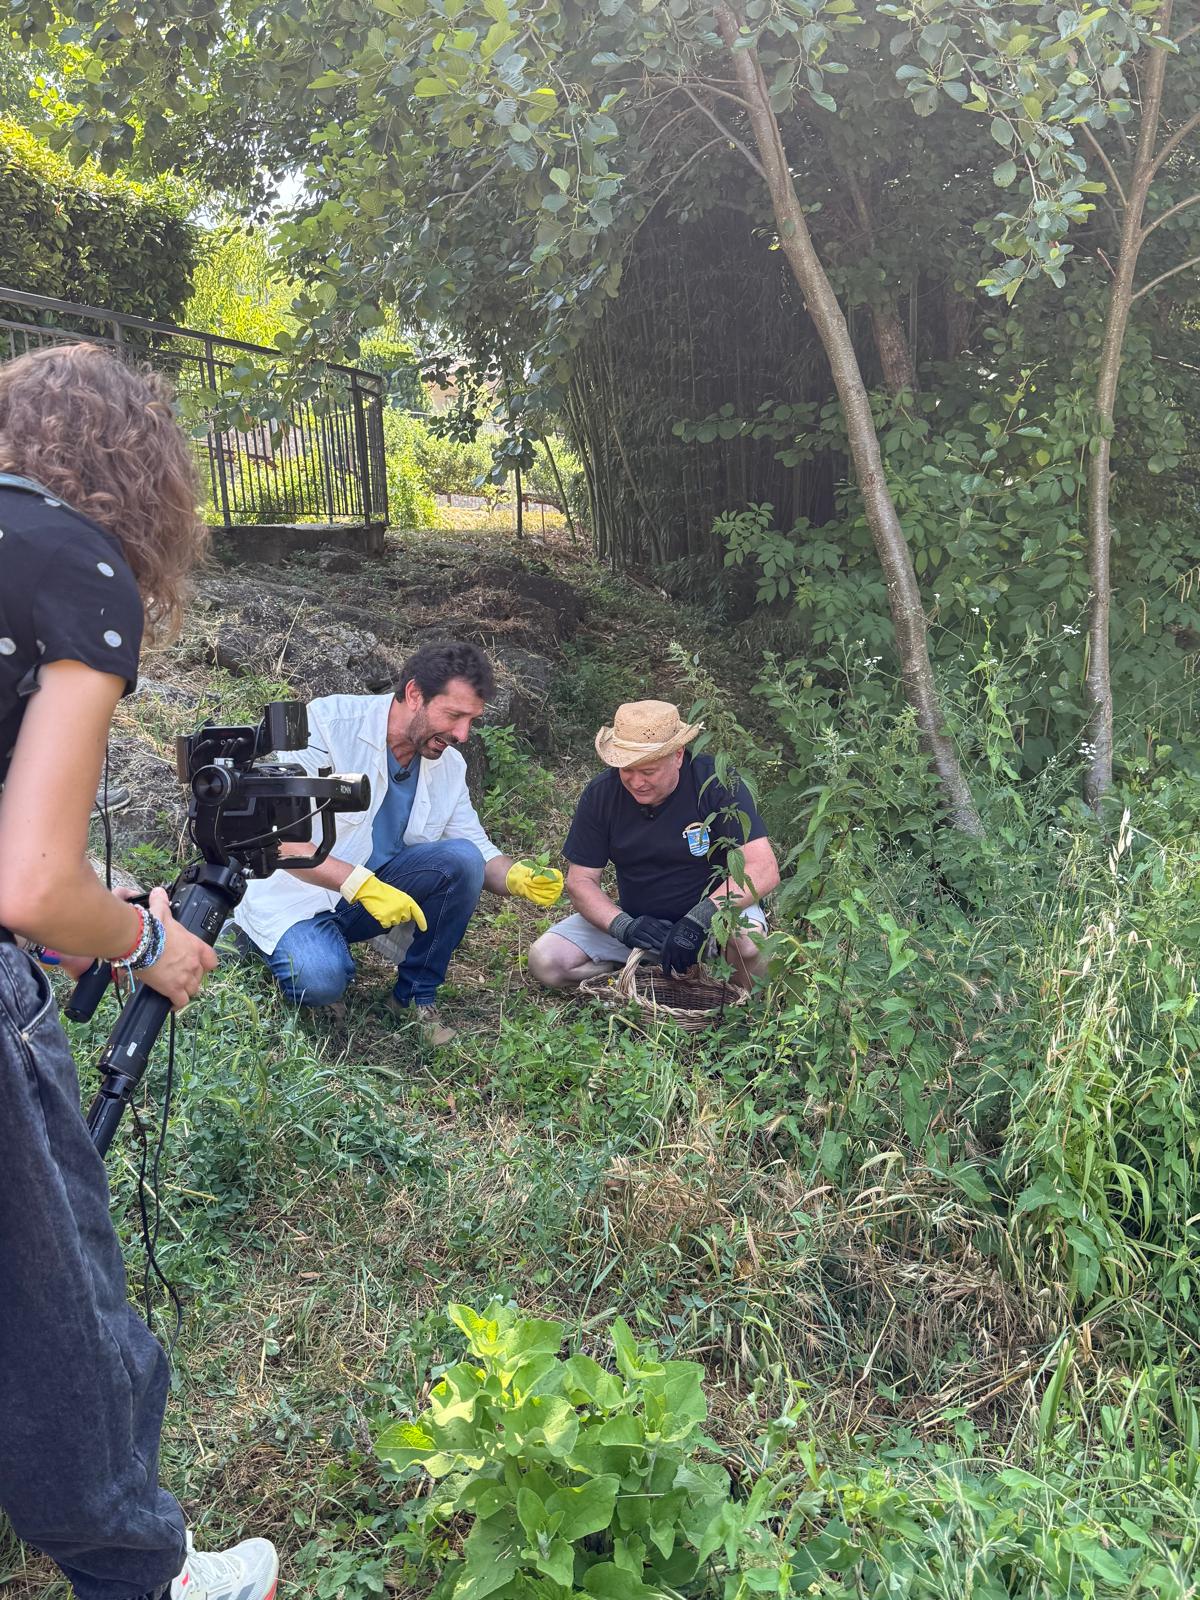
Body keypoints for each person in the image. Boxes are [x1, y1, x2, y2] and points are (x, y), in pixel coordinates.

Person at [0, 344, 278, 1600]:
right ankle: (143, 1572)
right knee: (62, 1305)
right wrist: (147, 939)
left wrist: (81, 911)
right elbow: (29, 889)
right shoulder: (70, 564)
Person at [232, 640, 564, 1045]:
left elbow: (473, 845)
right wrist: (358, 884)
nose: (462, 733)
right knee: (320, 979)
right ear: (413, 694)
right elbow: (276, 841)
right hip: (298, 896)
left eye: (472, 720)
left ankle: (413, 998)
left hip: (373, 897)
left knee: (463, 859)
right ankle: (253, 939)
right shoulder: (327, 725)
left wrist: (514, 876)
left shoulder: (448, 764)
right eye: (454, 715)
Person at [528, 699, 779, 989]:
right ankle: (640, 977)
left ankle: (733, 998)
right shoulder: (602, 794)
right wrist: (623, 926)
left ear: (677, 755)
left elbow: (764, 868)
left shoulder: (715, 781)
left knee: (747, 944)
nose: (636, 782)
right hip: (642, 923)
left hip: (714, 920)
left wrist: (699, 919)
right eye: (627, 770)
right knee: (546, 960)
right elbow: (581, 880)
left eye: (648, 771)